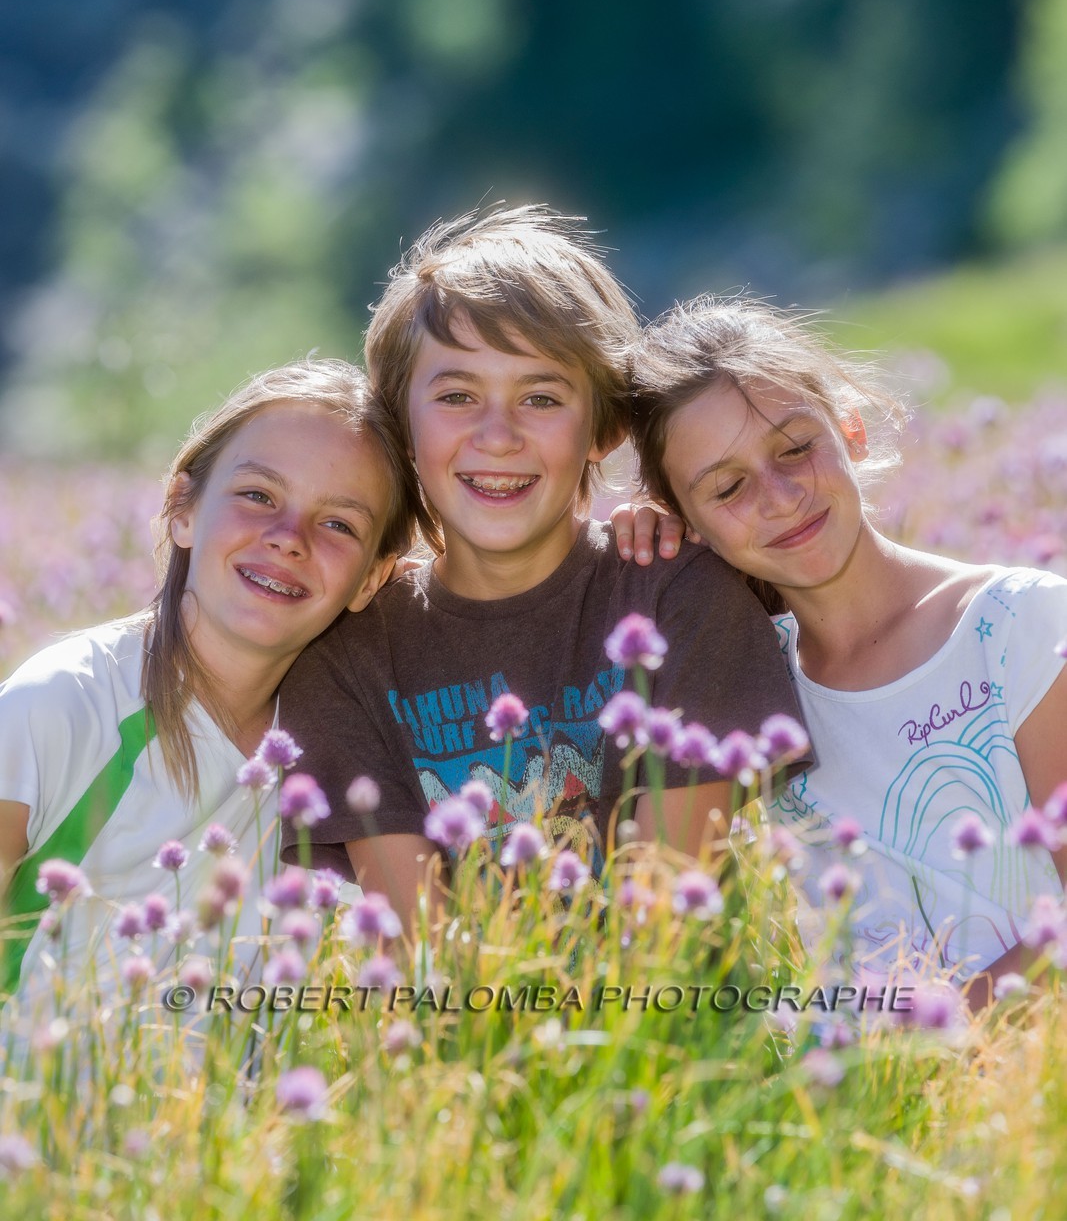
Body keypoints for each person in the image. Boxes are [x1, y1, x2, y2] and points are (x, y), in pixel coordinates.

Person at [279, 208, 808, 926]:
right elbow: (421, 953)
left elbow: (662, 931)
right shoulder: (350, 654)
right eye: (457, 396)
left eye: (541, 397)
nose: (497, 436)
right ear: (399, 426)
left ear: (605, 428)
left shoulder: (677, 598)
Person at [619, 295, 1067, 1005]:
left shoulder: (1020, 624)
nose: (778, 496)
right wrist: (637, 569)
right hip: (864, 1095)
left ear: (849, 427)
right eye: (727, 487)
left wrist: (926, 1040)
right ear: (687, 521)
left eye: (795, 448)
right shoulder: (742, 689)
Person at [0, 359, 422, 1012]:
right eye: (257, 495)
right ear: (181, 508)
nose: (289, 539)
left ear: (372, 578)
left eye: (339, 524)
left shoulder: (340, 756)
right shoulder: (65, 704)